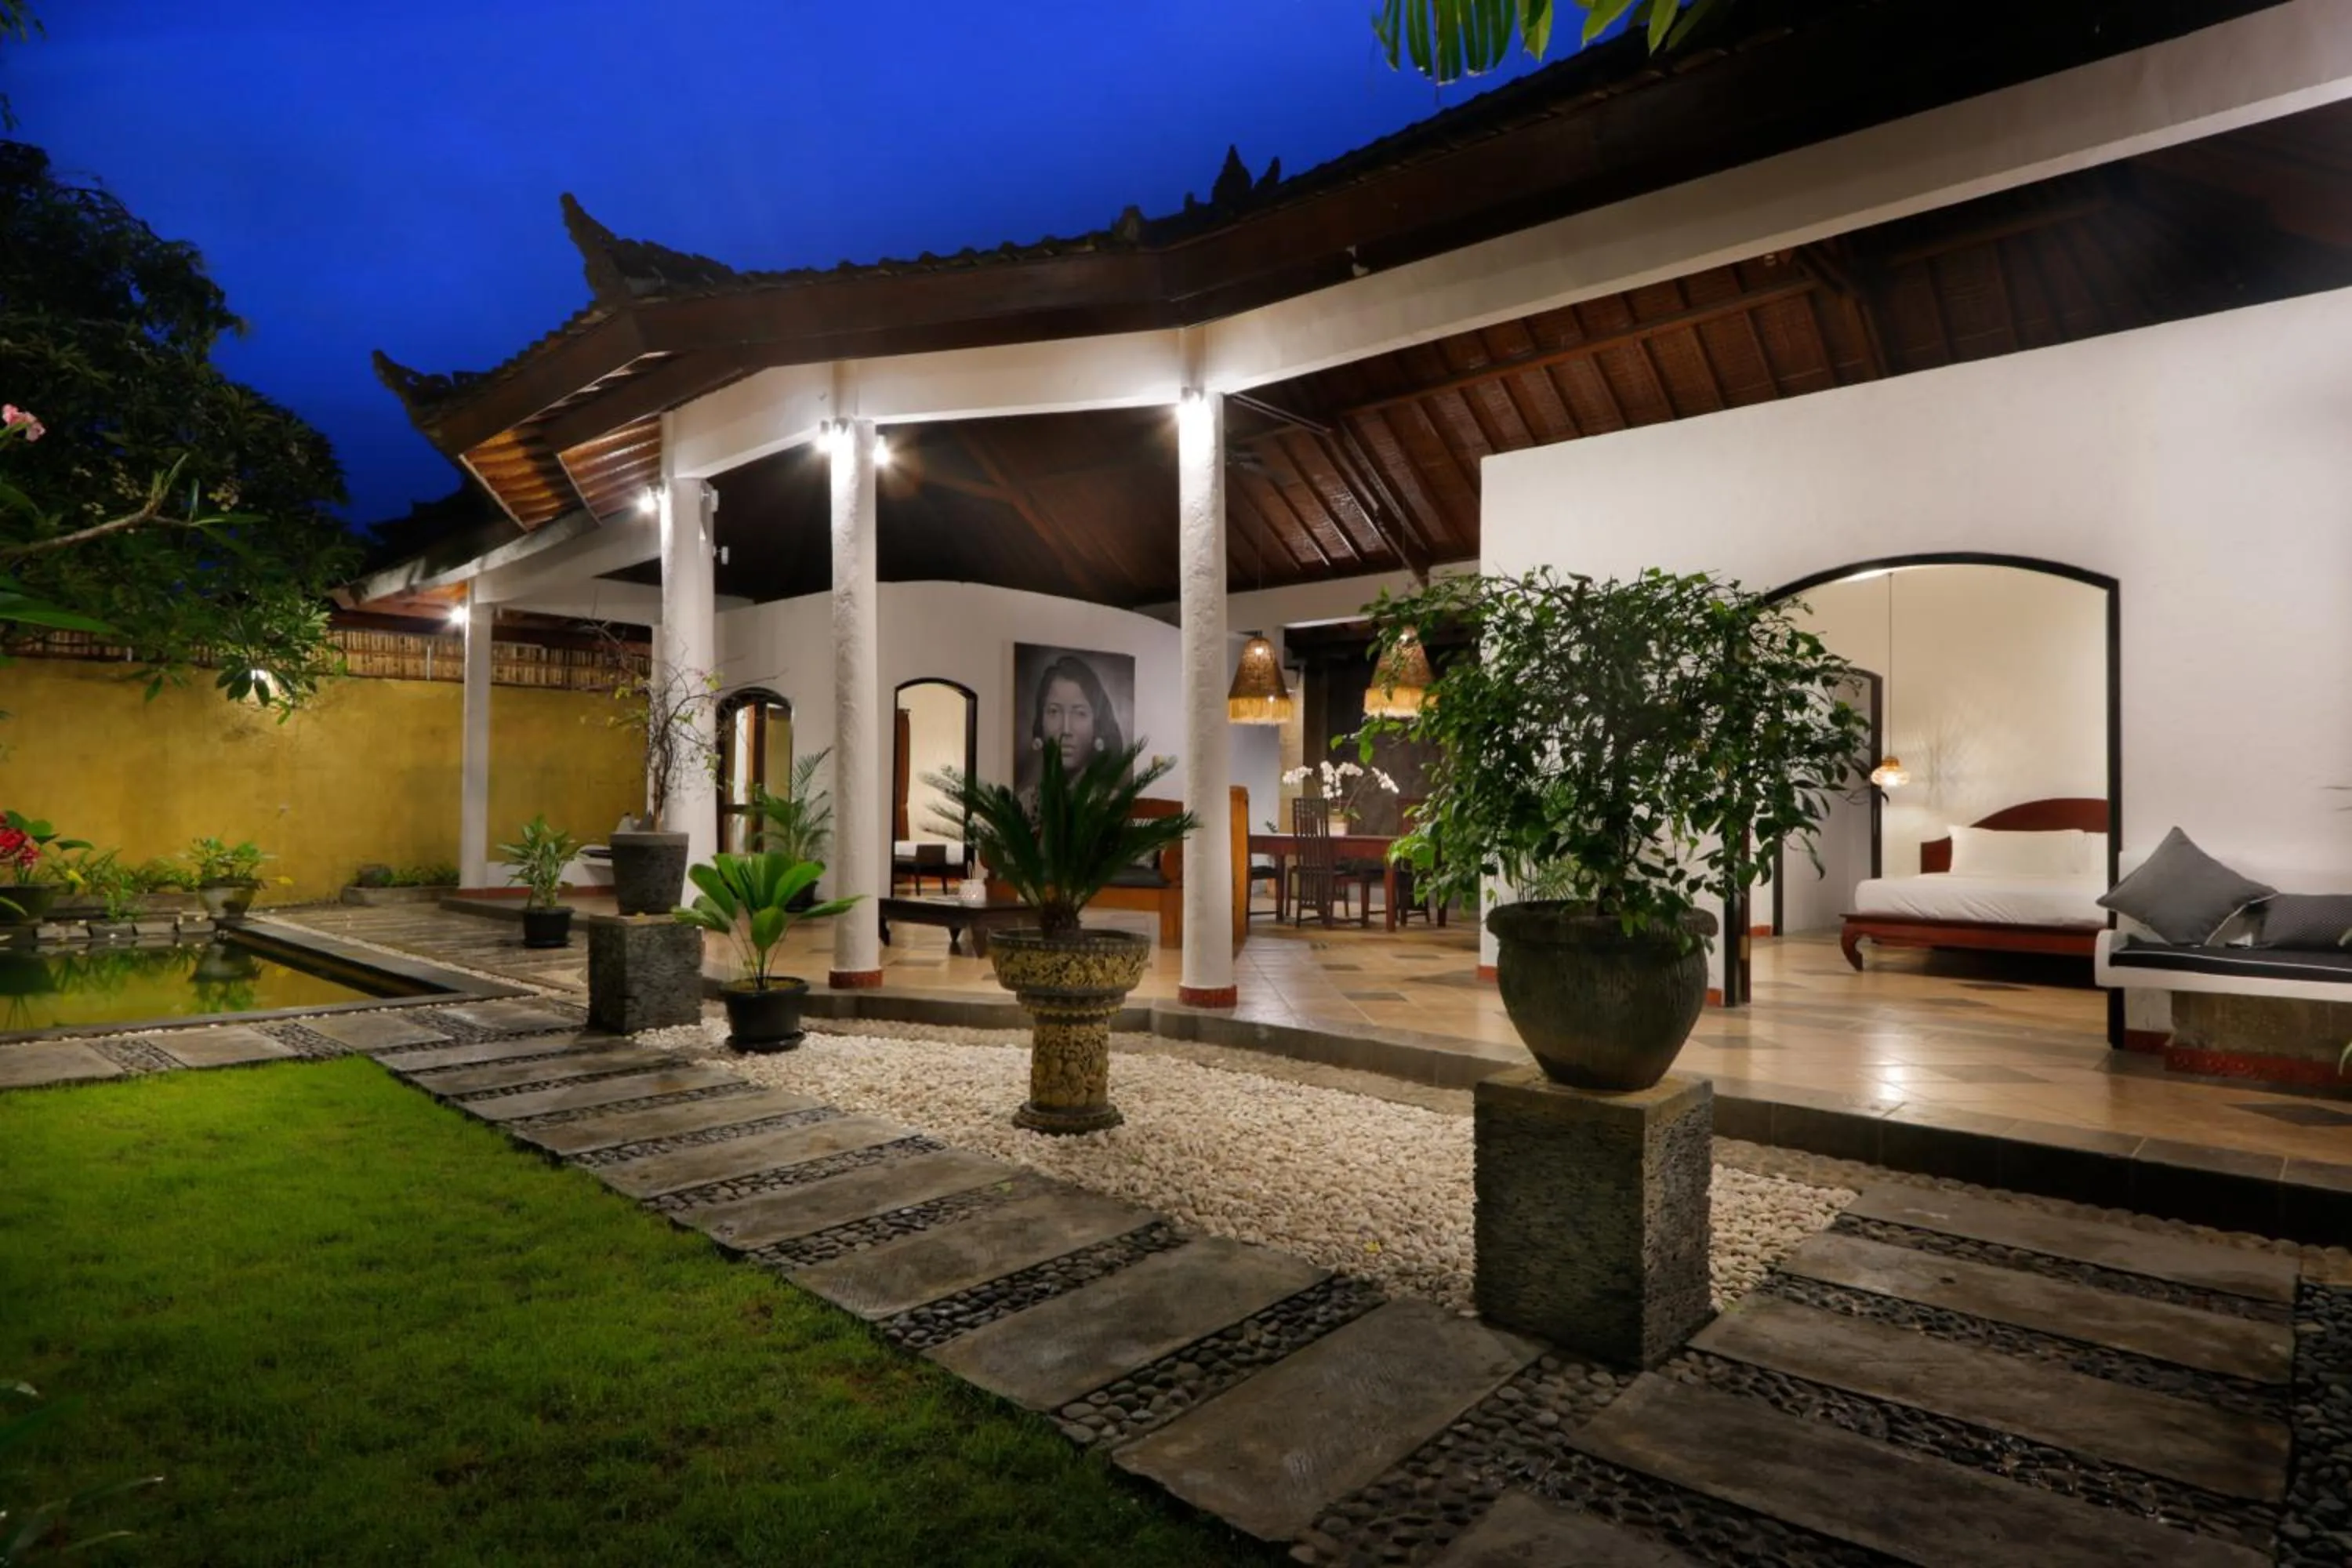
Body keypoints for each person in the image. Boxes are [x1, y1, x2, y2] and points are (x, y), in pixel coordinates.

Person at [1026, 655, 1126, 792]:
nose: (1066, 730)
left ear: (1097, 725)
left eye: (1080, 713)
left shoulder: (1111, 804)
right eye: (1054, 711)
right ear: (1040, 721)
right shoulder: (1026, 802)